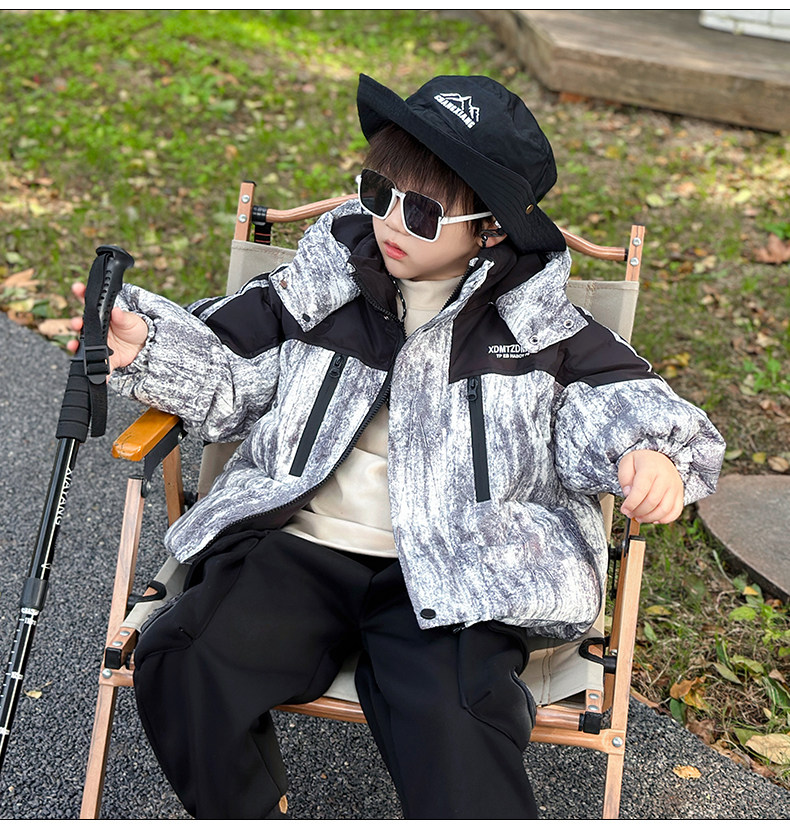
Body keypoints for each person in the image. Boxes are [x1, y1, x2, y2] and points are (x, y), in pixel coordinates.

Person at [70, 74, 725, 820]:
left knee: (455, 712)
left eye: (422, 210)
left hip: (460, 565)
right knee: (187, 659)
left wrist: (651, 455)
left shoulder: (541, 330)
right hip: (300, 546)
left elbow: (625, 402)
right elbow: (225, 362)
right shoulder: (320, 289)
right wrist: (147, 343)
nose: (389, 221)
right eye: (377, 191)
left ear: (491, 228)